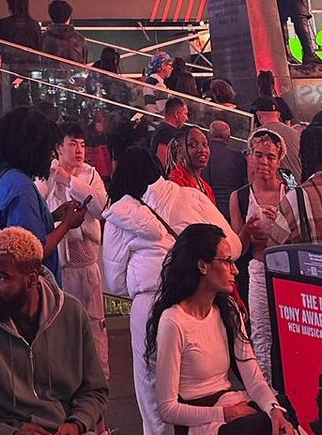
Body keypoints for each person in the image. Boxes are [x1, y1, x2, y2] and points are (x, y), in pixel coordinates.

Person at [103, 148, 241, 435]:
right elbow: (234, 247)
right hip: (199, 299)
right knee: (205, 383)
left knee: (154, 392)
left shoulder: (119, 216)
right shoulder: (190, 197)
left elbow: (114, 283)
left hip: (150, 303)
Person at [0, 226, 107, 435]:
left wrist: (77, 424)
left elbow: (95, 390)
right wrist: (9, 432)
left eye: (3, 277)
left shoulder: (72, 314)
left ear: (31, 279)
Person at [148, 223, 292, 435]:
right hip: (201, 422)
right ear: (202, 266)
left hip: (230, 403)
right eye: (227, 262)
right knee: (257, 427)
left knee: (282, 411)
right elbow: (168, 409)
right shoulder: (173, 321)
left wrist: (274, 410)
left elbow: (253, 377)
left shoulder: (228, 308)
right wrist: (225, 414)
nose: (235, 270)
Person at [0, 107, 88, 285]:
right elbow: (33, 252)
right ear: (33, 149)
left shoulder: (1, 177)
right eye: (48, 150)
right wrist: (67, 224)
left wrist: (53, 216)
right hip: (29, 291)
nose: (51, 157)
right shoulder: (22, 189)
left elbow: (17, 228)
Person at [38, 123, 110, 378]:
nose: (79, 150)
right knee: (61, 322)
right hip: (59, 262)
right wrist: (54, 178)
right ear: (59, 147)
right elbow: (39, 208)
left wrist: (70, 181)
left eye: (82, 145)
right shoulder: (45, 173)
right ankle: (65, 379)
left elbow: (102, 208)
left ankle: (99, 377)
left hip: (87, 260)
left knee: (93, 323)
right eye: (72, 144)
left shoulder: (90, 174)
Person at [230, 130, 287, 385]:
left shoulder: (292, 192)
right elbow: (235, 249)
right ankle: (267, 390)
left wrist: (279, 228)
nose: (264, 162)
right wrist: (246, 230)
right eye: (259, 155)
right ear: (251, 158)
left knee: (287, 330)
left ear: (279, 161)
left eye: (270, 157)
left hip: (286, 272)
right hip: (258, 269)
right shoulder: (240, 197)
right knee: (262, 333)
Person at [0, 0, 41, 106]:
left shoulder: (2, 24)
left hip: (9, 72)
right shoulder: (34, 25)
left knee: (9, 105)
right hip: (30, 73)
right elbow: (39, 49)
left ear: (10, 4)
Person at [249, 99, 301, 183]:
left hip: (275, 189)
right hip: (297, 188)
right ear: (278, 115)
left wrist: (251, 192)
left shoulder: (256, 135)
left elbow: (251, 168)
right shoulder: (295, 133)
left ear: (258, 115)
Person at [204, 121, 247, 221]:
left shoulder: (200, 154)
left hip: (204, 208)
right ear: (228, 138)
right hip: (229, 212)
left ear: (209, 135)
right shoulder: (237, 157)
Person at [169, 127, 216, 205]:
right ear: (179, 150)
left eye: (205, 144)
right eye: (193, 145)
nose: (202, 150)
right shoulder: (175, 181)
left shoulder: (207, 187)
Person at [42, 0, 87, 65]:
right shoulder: (80, 40)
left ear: (50, 16)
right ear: (69, 18)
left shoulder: (43, 39)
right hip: (75, 74)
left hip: (50, 75)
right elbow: (83, 65)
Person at [154, 97, 190, 172]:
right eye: (185, 114)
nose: (187, 118)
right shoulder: (166, 133)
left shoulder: (164, 130)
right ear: (177, 114)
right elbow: (162, 161)